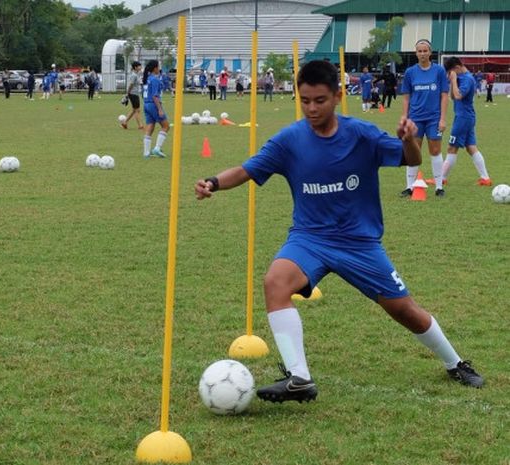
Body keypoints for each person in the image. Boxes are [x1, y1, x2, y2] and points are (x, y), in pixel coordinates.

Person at [194, 60, 484, 405]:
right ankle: (299, 378)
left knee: (404, 310)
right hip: (309, 239)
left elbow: (410, 159)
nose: (312, 108)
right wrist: (213, 182)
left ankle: (455, 362)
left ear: (337, 96)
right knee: (275, 281)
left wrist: (408, 140)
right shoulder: (289, 141)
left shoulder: (361, 135)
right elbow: (246, 169)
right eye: (304, 101)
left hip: (359, 243)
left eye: (319, 100)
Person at [399, 39, 449, 197]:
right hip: (415, 119)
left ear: (430, 52)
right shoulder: (410, 72)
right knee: (414, 151)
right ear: (416, 53)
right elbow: (406, 97)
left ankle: (439, 187)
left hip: (434, 118)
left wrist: (442, 119)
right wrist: (405, 117)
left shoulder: (439, 71)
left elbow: (444, 96)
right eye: (419, 51)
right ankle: (410, 187)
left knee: (435, 150)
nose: (422, 54)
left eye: (425, 51)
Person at [441, 57, 492, 186]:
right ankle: (485, 178)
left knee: (452, 147)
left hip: (463, 118)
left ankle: (441, 178)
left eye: (451, 71)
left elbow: (458, 96)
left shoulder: (468, 79)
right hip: (466, 117)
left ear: (457, 68)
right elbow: (453, 96)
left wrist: (453, 80)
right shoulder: (460, 78)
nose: (450, 75)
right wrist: (453, 82)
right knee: (471, 147)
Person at [141, 59, 169, 159]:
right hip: (153, 104)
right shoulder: (155, 79)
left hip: (146, 104)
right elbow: (155, 96)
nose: (159, 68)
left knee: (150, 126)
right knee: (166, 126)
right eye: (158, 66)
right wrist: (160, 109)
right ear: (155, 68)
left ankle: (146, 153)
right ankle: (157, 148)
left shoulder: (146, 79)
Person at [122, 61, 143, 130]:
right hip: (133, 94)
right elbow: (131, 85)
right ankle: (140, 125)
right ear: (135, 67)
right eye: (139, 66)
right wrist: (127, 93)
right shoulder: (134, 75)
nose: (140, 67)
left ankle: (125, 122)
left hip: (135, 93)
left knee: (134, 110)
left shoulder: (136, 74)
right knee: (137, 110)